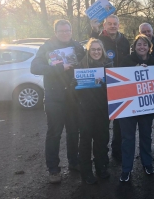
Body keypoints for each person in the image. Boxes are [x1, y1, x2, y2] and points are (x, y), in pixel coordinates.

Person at [31, 19, 85, 183]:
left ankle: (74, 162)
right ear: (56, 32)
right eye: (61, 31)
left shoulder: (76, 46)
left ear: (71, 31)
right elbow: (35, 68)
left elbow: (86, 62)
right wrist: (60, 68)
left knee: (74, 132)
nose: (65, 33)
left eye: (67, 30)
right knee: (54, 133)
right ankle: (53, 170)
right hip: (55, 97)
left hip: (73, 96)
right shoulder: (47, 47)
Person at [118, 34, 154, 182]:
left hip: (146, 107)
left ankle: (147, 163)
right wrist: (134, 70)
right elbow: (117, 81)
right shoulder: (125, 61)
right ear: (134, 47)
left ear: (149, 47)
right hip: (128, 107)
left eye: (144, 45)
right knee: (127, 138)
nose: (142, 47)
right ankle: (126, 169)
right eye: (139, 45)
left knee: (146, 136)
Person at [90, 15, 130, 162]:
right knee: (102, 124)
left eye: (115, 24)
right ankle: (101, 154)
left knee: (120, 123)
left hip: (121, 86)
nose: (112, 26)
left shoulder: (125, 41)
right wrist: (94, 32)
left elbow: (129, 61)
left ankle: (117, 151)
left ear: (119, 25)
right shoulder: (99, 40)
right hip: (103, 88)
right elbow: (90, 53)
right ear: (105, 25)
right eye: (109, 24)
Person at [75, 39, 113, 184]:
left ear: (102, 51)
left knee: (102, 139)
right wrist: (75, 84)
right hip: (85, 110)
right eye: (93, 49)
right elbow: (74, 90)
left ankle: (101, 167)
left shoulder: (108, 65)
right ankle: (86, 172)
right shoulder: (81, 66)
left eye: (98, 49)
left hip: (103, 109)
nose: (96, 52)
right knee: (85, 141)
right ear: (88, 51)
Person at [133, 22, 154, 154]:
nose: (146, 34)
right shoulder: (134, 49)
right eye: (143, 31)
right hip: (141, 90)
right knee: (145, 122)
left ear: (153, 32)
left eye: (148, 31)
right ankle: (144, 149)